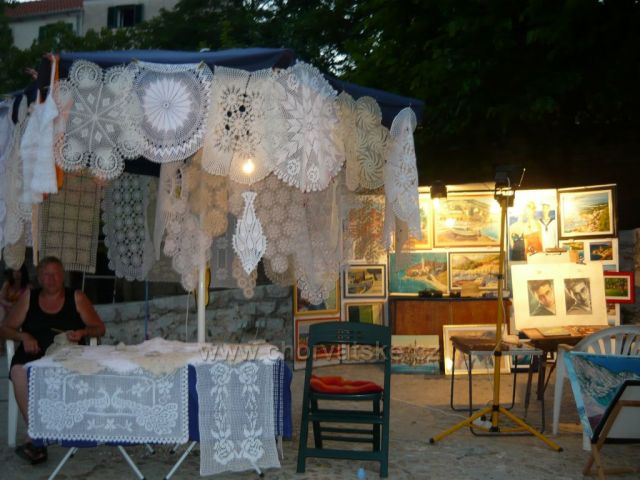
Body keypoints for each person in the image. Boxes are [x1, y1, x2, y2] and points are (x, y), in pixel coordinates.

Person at [0, 256, 106, 464]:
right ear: (39, 278)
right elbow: (4, 328)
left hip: (66, 354)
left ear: (62, 276)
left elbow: (99, 328)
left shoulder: (76, 297)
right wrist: (24, 336)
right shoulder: (29, 297)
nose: (51, 279)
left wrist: (82, 332)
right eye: (46, 274)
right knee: (18, 370)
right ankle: (36, 433)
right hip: (34, 352)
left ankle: (47, 433)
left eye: (56, 274)